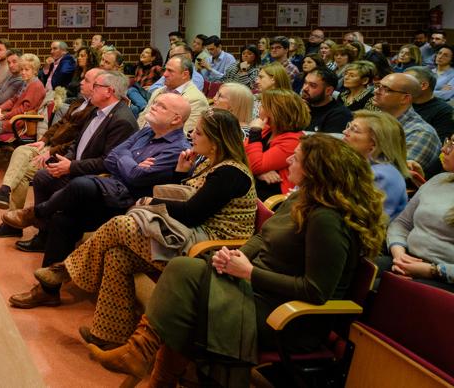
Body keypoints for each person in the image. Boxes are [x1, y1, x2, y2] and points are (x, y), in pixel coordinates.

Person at [89, 135, 386, 387]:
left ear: (317, 170)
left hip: (284, 316)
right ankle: (143, 357)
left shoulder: (327, 220)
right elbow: (264, 236)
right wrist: (238, 254)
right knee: (184, 273)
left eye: (296, 158)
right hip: (255, 291)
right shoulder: (303, 199)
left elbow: (315, 291)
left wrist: (249, 272)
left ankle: (143, 358)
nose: (288, 161)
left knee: (184, 291)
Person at [39, 109, 256, 348]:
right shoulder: (208, 162)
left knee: (122, 223)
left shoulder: (230, 172)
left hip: (210, 248)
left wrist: (152, 202)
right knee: (117, 255)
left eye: (199, 133)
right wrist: (180, 172)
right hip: (189, 232)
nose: (192, 135)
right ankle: (109, 335)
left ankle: (65, 270)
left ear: (215, 142)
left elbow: (192, 213)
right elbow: (186, 197)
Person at [1, 94, 192, 307]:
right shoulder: (147, 132)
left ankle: (35, 214)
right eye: (155, 103)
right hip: (110, 190)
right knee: (61, 219)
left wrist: (126, 159)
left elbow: (135, 177)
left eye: (162, 106)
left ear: (176, 119)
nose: (154, 106)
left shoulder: (176, 149)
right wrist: (133, 162)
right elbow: (111, 158)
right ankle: (47, 291)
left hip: (131, 207)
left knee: (81, 185)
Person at [0, 71, 138, 242]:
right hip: (70, 159)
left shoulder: (121, 120)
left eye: (95, 85)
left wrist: (67, 164)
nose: (89, 87)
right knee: (38, 172)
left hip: (92, 178)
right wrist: (62, 156)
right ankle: (41, 232)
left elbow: (107, 162)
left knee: (32, 169)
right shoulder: (96, 110)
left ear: (109, 91)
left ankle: (33, 222)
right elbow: (78, 141)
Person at [380, 134, 454, 292]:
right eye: (448, 141)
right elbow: (402, 223)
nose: (443, 148)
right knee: (357, 270)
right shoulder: (439, 180)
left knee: (385, 290)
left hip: (442, 278)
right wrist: (399, 252)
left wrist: (433, 270)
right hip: (406, 257)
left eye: (452, 145)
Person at [372, 72, 442, 178]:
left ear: (405, 98)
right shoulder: (373, 120)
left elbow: (393, 175)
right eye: (378, 86)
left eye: (386, 89)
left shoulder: (421, 133)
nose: (376, 91)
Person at [342, 111, 411, 219]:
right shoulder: (358, 164)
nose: (345, 132)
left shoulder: (383, 176)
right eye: (348, 126)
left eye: (354, 129)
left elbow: (366, 219)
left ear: (374, 144)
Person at [247, 89, 310, 199]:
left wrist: (255, 131)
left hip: (274, 195)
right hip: (254, 183)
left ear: (275, 112)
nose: (259, 108)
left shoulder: (294, 140)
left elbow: (255, 165)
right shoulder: (268, 129)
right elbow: (238, 152)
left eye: (263, 106)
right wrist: (259, 173)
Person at [137, 55, 208, 135]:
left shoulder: (196, 99)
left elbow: (186, 134)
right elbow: (143, 117)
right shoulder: (159, 91)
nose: (164, 74)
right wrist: (136, 137)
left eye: (170, 71)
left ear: (185, 75)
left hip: (160, 141)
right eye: (165, 70)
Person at [407, 66, 454, 143]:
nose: (400, 85)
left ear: (423, 85)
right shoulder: (400, 101)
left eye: (407, 81)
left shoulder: (444, 111)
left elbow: (439, 144)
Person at [300, 68, 353, 134]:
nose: (305, 88)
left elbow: (323, 140)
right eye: (305, 83)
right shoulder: (301, 105)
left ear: (328, 91)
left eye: (312, 85)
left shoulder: (340, 115)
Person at [126, 46, 163, 116]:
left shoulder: (157, 68)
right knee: (134, 109)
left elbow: (166, 81)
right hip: (139, 95)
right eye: (142, 52)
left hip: (149, 94)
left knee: (131, 89)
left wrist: (152, 87)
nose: (142, 54)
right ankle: (143, 109)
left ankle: (144, 107)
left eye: (147, 53)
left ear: (153, 58)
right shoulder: (138, 68)